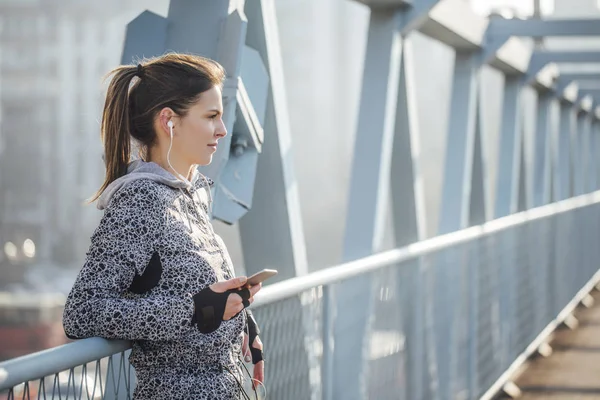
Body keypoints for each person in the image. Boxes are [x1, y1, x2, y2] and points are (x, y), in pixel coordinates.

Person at [62, 53, 265, 400]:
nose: (223, 129)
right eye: (211, 116)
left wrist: (237, 320)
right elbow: (83, 311)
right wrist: (197, 311)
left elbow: (189, 291)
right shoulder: (139, 201)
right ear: (168, 120)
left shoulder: (193, 195)